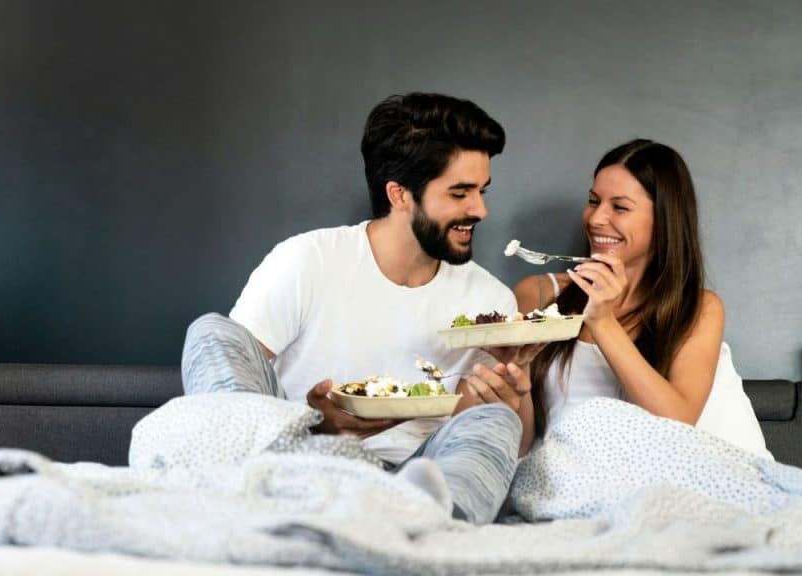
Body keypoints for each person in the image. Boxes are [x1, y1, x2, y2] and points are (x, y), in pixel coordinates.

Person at [181, 93, 541, 525]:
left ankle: (429, 528)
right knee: (211, 332)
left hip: (416, 481)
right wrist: (315, 426)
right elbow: (235, 374)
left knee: (495, 423)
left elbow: (507, 448)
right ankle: (245, 492)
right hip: (301, 463)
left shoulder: (490, 301)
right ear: (400, 194)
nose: (479, 210)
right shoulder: (308, 259)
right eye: (460, 193)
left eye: (481, 191)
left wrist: (514, 402)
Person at [513, 139, 770, 457]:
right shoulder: (538, 294)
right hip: (572, 481)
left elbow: (677, 422)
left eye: (619, 207)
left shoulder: (700, 309)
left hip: (668, 483)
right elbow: (522, 439)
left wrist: (603, 322)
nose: (595, 219)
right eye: (594, 201)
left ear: (664, 220)